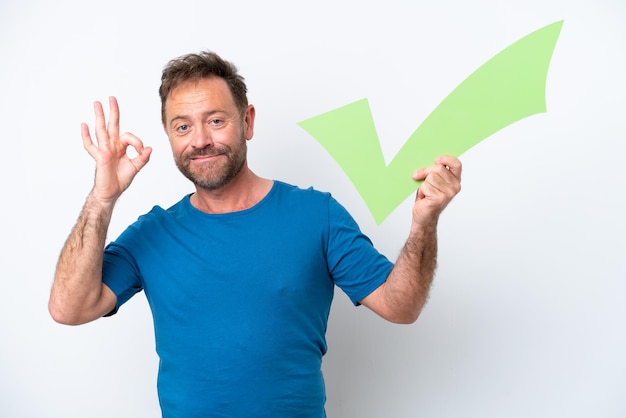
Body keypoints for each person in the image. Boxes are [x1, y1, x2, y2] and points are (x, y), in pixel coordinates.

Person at [49, 51, 462, 417]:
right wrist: (102, 198)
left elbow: (400, 306)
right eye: (182, 127)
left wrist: (424, 222)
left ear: (247, 121)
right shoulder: (153, 233)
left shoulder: (317, 215)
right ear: (169, 137)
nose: (201, 141)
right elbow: (69, 308)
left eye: (215, 120)